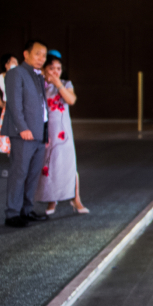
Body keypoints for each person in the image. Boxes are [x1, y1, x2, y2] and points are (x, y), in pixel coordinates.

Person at [1, 40, 50, 227]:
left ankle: (26, 210)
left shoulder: (38, 76)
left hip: (39, 133)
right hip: (24, 133)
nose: (41, 58)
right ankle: (12, 214)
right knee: (19, 173)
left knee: (32, 174)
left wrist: (46, 132)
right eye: (37, 54)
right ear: (26, 54)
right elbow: (14, 104)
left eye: (44, 55)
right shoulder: (16, 73)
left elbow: (42, 108)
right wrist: (22, 128)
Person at [35, 53, 88, 215]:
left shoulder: (65, 84)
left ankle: (75, 198)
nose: (55, 71)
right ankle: (52, 200)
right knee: (49, 164)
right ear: (44, 70)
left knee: (68, 164)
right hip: (46, 131)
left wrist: (58, 84)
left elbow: (71, 100)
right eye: (51, 68)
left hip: (63, 132)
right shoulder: (39, 85)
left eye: (58, 68)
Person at [0, 54, 18, 154]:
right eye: (13, 62)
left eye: (17, 62)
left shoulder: (18, 76)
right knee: (7, 133)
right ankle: (10, 157)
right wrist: (1, 103)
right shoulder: (0, 77)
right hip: (7, 108)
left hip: (18, 108)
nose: (16, 64)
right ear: (6, 64)